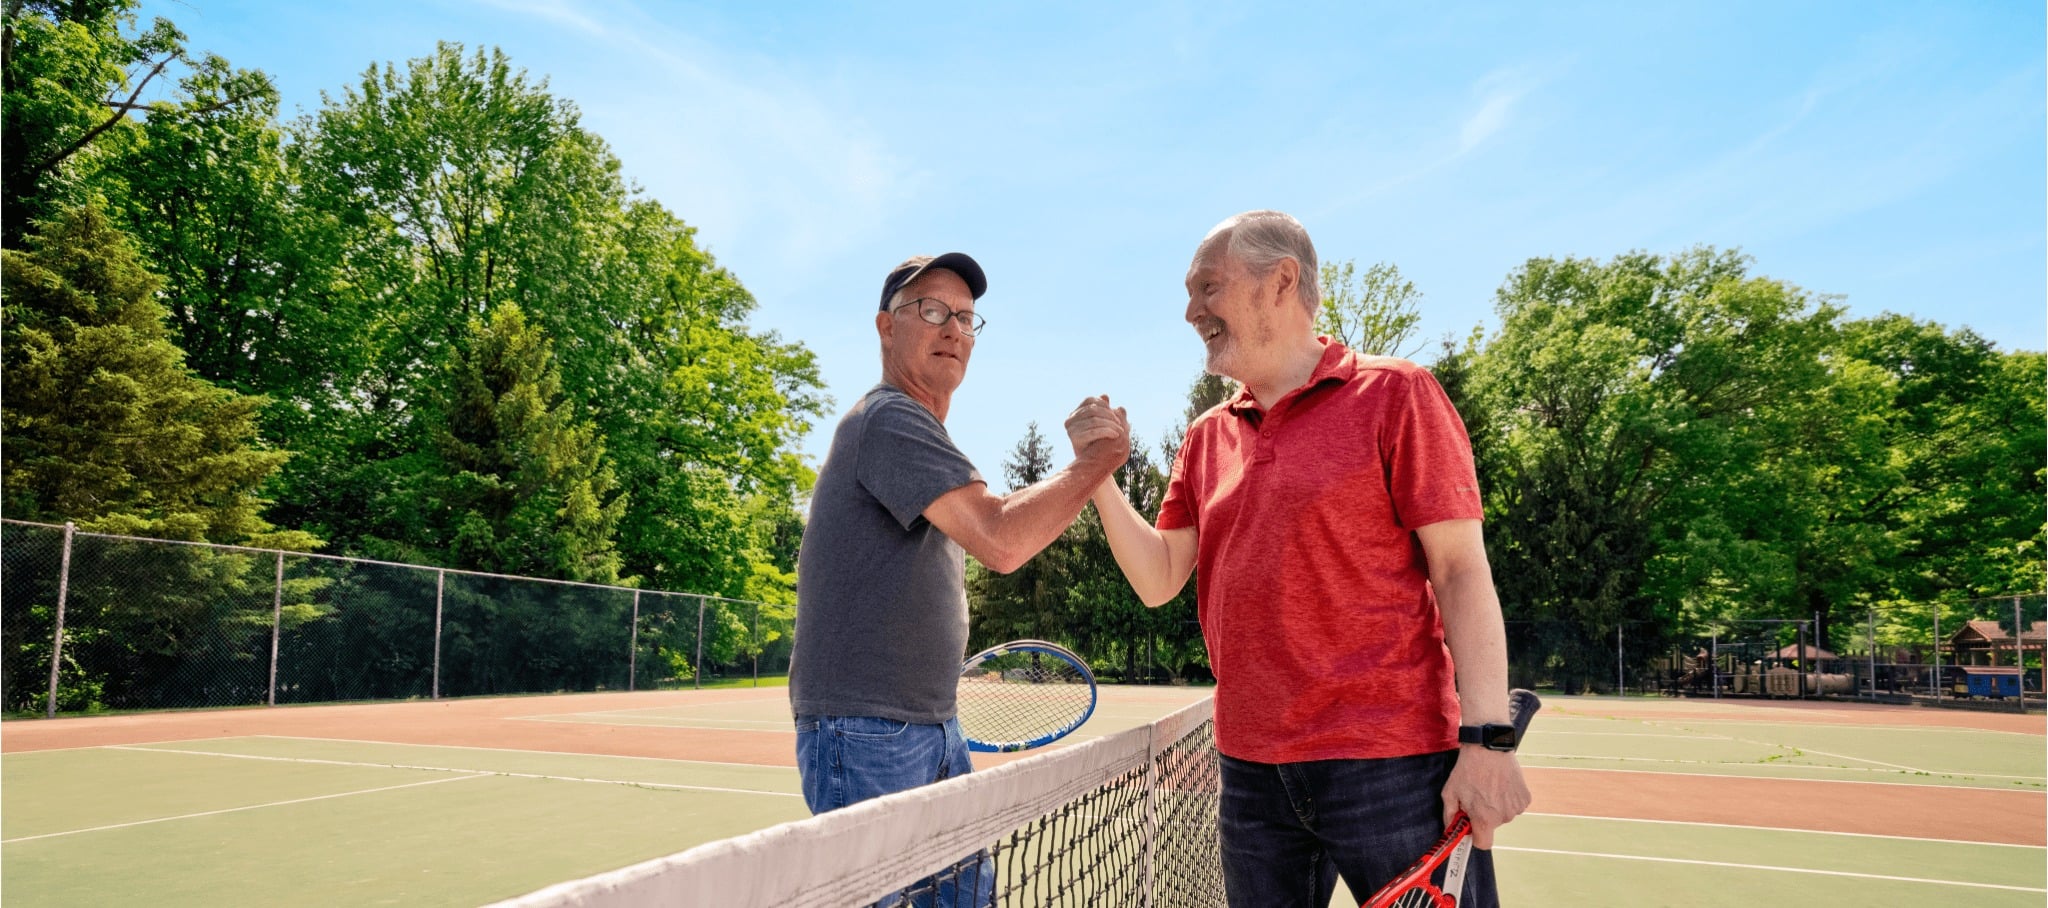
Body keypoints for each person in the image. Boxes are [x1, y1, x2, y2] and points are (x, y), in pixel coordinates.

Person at [1074, 211, 1531, 907]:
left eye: (1208, 287)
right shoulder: (1205, 438)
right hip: (1252, 775)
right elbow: (1159, 578)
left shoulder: (1397, 393)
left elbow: (1462, 571)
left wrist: (1488, 743)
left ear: (1281, 280)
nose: (1191, 309)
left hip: (1392, 764)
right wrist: (1098, 476)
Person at [788, 252, 1129, 905]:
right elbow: (1001, 538)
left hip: (928, 725)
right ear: (887, 327)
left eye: (967, 318)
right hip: (868, 730)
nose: (953, 329)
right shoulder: (889, 417)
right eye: (933, 311)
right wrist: (1095, 464)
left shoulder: (921, 436)